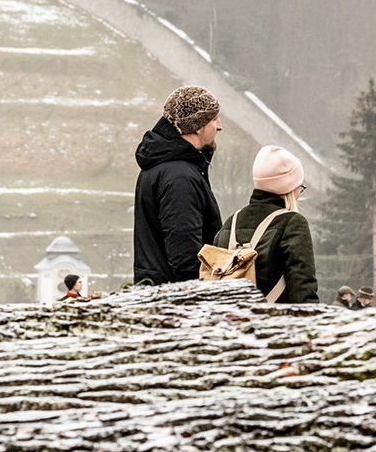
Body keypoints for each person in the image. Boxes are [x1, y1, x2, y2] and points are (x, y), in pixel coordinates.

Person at [132, 85, 223, 285]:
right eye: (214, 119)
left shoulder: (160, 167)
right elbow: (186, 257)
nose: (219, 126)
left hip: (157, 292)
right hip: (177, 301)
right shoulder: (180, 177)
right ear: (198, 126)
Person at [218, 145, 320, 305]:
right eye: (299, 188)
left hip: (232, 324)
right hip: (276, 324)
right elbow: (303, 288)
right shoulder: (292, 223)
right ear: (290, 189)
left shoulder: (231, 222)